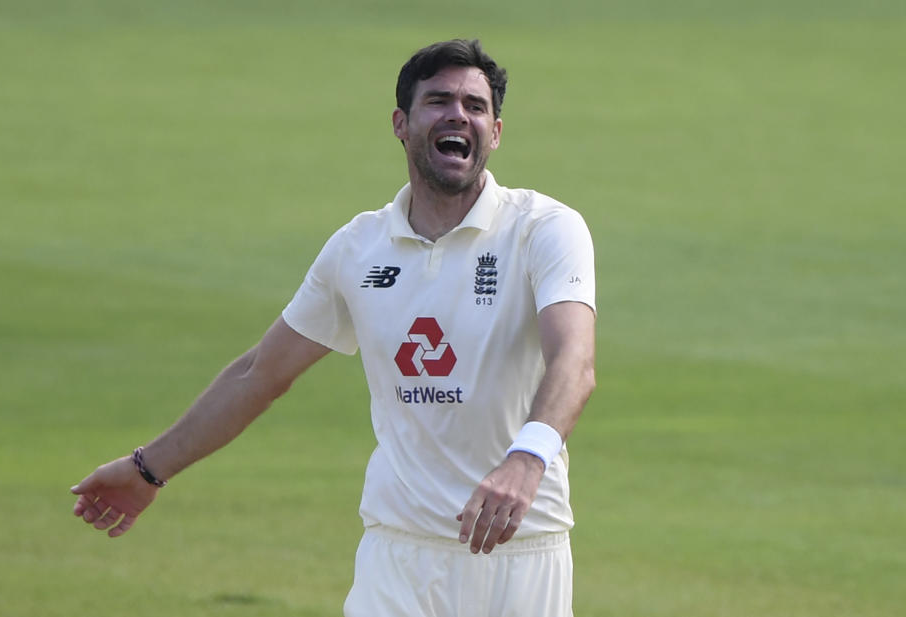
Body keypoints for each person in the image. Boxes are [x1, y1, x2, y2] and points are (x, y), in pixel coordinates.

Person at [71, 39, 596, 617]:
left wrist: (527, 459)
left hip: (522, 553)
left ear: (495, 132)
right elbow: (259, 373)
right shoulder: (358, 249)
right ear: (401, 123)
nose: (458, 115)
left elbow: (574, 360)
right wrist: (149, 469)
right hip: (397, 555)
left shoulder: (543, 229)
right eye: (438, 101)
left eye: (475, 106)